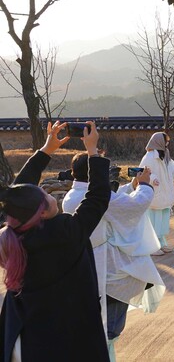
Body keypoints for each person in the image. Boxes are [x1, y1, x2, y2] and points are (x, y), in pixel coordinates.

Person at [0, 121, 110, 361]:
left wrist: (46, 150)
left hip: (34, 342)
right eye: (44, 196)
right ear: (42, 212)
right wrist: (93, 151)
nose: (47, 194)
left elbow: (19, 194)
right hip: (75, 339)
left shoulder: (14, 234)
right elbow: (98, 197)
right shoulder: (65, 232)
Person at [63, 155, 166, 361]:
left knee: (98, 327)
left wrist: (131, 186)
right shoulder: (98, 197)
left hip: (89, 267)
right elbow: (134, 206)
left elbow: (116, 203)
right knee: (108, 330)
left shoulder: (73, 195)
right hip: (110, 270)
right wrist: (144, 186)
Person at [139, 132, 174, 254]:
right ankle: (153, 246)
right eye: (166, 141)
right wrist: (153, 179)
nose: (167, 143)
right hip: (156, 194)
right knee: (155, 221)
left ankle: (162, 242)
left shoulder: (165, 156)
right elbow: (142, 171)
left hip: (164, 194)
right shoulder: (149, 157)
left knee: (162, 221)